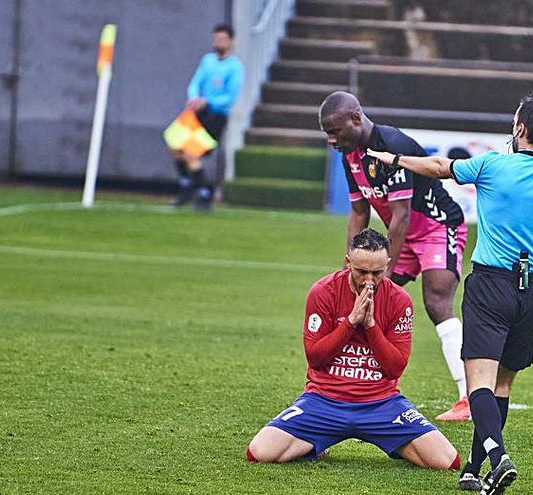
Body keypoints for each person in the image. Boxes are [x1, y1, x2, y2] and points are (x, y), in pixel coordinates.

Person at [367, 95, 533, 495]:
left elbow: (436, 167)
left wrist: (393, 159)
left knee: (478, 383)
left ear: (520, 129)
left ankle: (497, 457)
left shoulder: (492, 165)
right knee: (502, 385)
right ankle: (472, 468)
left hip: (490, 285)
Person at [246, 228, 460, 470]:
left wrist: (370, 326)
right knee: (259, 452)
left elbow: (394, 368)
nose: (369, 280)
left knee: (447, 461)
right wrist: (350, 323)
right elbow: (315, 358)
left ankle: (390, 438)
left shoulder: (399, 300)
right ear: (348, 262)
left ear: (388, 265)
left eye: (377, 273)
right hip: (324, 400)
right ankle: (320, 440)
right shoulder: (323, 291)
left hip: (381, 404)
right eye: (361, 272)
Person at [319, 92, 471, 421]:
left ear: (355, 119)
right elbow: (359, 213)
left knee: (436, 302)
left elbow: (400, 216)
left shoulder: (390, 145)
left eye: (334, 131)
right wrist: (351, 266)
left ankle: (468, 396)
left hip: (437, 227)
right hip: (401, 236)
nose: (331, 140)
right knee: (360, 298)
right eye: (326, 133)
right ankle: (351, 390)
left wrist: (381, 274)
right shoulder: (351, 155)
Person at [170, 24, 244, 211]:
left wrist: (208, 101)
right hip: (197, 113)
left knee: (191, 153)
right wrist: (194, 98)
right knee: (175, 145)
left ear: (231, 41)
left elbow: (230, 97)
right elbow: (196, 82)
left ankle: (204, 193)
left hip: (215, 116)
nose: (219, 42)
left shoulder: (235, 67)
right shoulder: (208, 60)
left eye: (223, 39)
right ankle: (186, 186)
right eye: (216, 38)